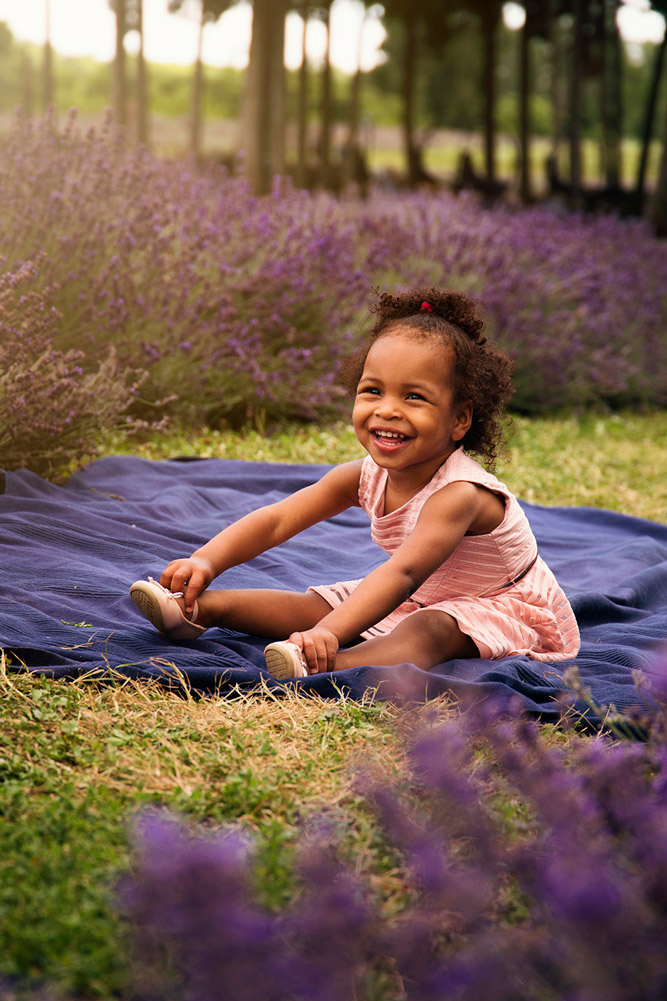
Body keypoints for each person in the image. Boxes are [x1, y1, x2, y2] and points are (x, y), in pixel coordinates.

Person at [130, 287, 580, 680]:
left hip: (501, 606)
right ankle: (197, 610)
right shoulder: (362, 475)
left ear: (459, 419)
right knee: (321, 603)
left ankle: (330, 662)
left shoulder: (459, 495)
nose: (386, 409)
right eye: (372, 391)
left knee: (427, 630)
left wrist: (329, 636)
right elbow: (277, 520)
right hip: (421, 594)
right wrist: (206, 562)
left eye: (414, 396)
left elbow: (402, 574)